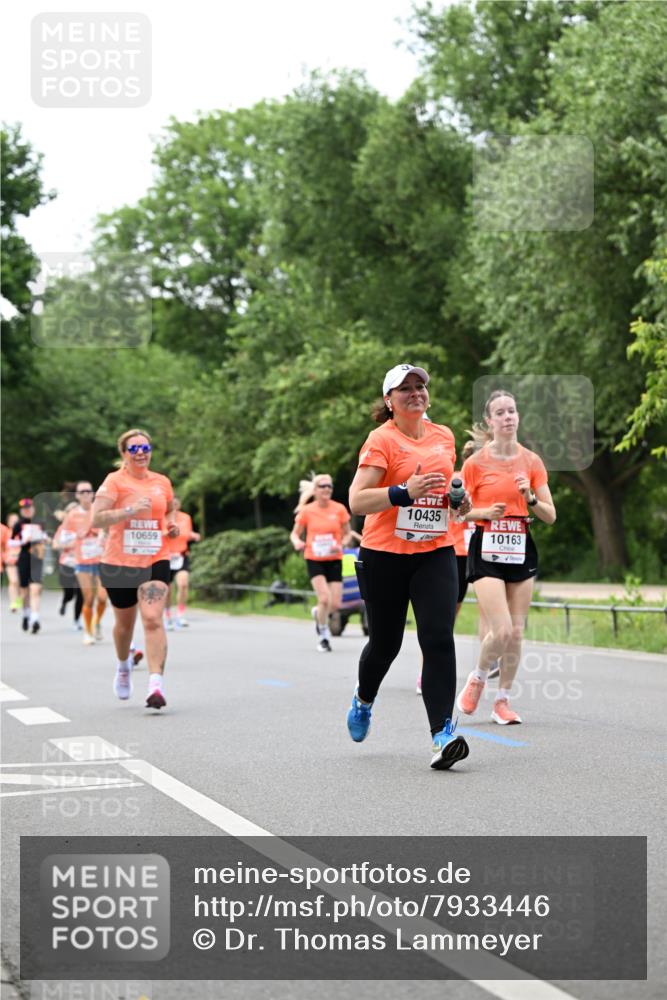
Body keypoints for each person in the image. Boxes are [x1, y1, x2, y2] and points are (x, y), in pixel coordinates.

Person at [346, 364, 471, 770]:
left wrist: (457, 501)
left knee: (438, 638)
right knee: (386, 643)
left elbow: (445, 491)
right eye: (405, 389)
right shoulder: (381, 440)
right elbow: (358, 501)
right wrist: (403, 492)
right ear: (389, 400)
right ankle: (364, 698)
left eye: (420, 387)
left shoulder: (443, 437)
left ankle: (442, 735)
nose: (415, 393)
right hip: (384, 555)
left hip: (435, 550)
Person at [456, 391, 556, 725]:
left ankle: (503, 701)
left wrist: (529, 498)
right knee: (499, 631)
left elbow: (550, 515)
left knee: (515, 632)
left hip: (520, 545)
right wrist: (484, 511)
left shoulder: (532, 461)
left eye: (512, 411)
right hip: (486, 547)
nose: (508, 417)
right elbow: (458, 515)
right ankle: (479, 677)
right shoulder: (474, 464)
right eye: (500, 412)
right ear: (490, 421)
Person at [92, 429, 179, 709]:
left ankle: (156, 685)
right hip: (119, 562)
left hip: (156, 558)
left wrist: (171, 525)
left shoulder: (162, 482)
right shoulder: (114, 482)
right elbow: (97, 518)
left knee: (153, 619)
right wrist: (127, 511)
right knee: (124, 626)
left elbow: (167, 511)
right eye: (134, 449)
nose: (141, 452)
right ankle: (123, 665)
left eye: (145, 447)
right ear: (124, 454)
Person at [290, 474, 352, 652]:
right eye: (322, 486)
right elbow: (294, 533)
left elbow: (347, 533)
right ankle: (324, 636)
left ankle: (318, 613)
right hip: (314, 558)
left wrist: (343, 543)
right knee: (324, 598)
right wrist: (297, 542)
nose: (326, 489)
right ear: (315, 490)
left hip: (334, 558)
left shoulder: (339, 509)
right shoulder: (307, 511)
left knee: (335, 604)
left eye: (329, 486)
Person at [61, 482, 108, 645]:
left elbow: (112, 529)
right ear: (77, 495)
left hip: (102, 560)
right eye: (82, 492)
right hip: (83, 561)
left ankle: (97, 622)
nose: (86, 494)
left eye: (89, 491)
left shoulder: (101, 511)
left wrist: (103, 533)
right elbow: (63, 539)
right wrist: (77, 536)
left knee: (102, 598)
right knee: (88, 599)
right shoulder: (72, 515)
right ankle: (88, 632)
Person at [164, 497, 200, 630]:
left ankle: (180, 614)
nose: (174, 505)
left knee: (183, 584)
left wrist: (193, 535)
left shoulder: (186, 518)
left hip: (181, 555)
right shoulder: (163, 518)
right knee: (167, 590)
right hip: (166, 556)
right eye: (171, 503)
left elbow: (186, 533)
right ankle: (167, 616)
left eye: (176, 503)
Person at [11, 498, 47, 634]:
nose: (27, 511)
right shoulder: (18, 524)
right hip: (24, 558)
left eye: (29, 508)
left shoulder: (40, 523)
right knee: (25, 590)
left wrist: (44, 539)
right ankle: (26, 614)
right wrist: (22, 541)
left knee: (35, 589)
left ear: (33, 509)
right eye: (24, 509)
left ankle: (35, 618)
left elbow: (47, 537)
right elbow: (10, 542)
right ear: (21, 511)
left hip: (37, 557)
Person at [52, 503, 84, 629]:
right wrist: (70, 545)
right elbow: (55, 545)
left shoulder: (85, 527)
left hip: (81, 565)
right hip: (66, 564)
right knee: (69, 593)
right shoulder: (63, 529)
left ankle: (77, 620)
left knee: (80, 593)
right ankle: (64, 602)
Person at [2, 513, 22, 612]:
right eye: (12, 521)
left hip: (22, 560)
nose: (14, 523)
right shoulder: (6, 533)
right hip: (10, 560)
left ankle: (19, 598)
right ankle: (13, 602)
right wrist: (4, 556)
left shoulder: (23, 532)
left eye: (16, 521)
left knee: (19, 582)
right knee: (13, 581)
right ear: (8, 522)